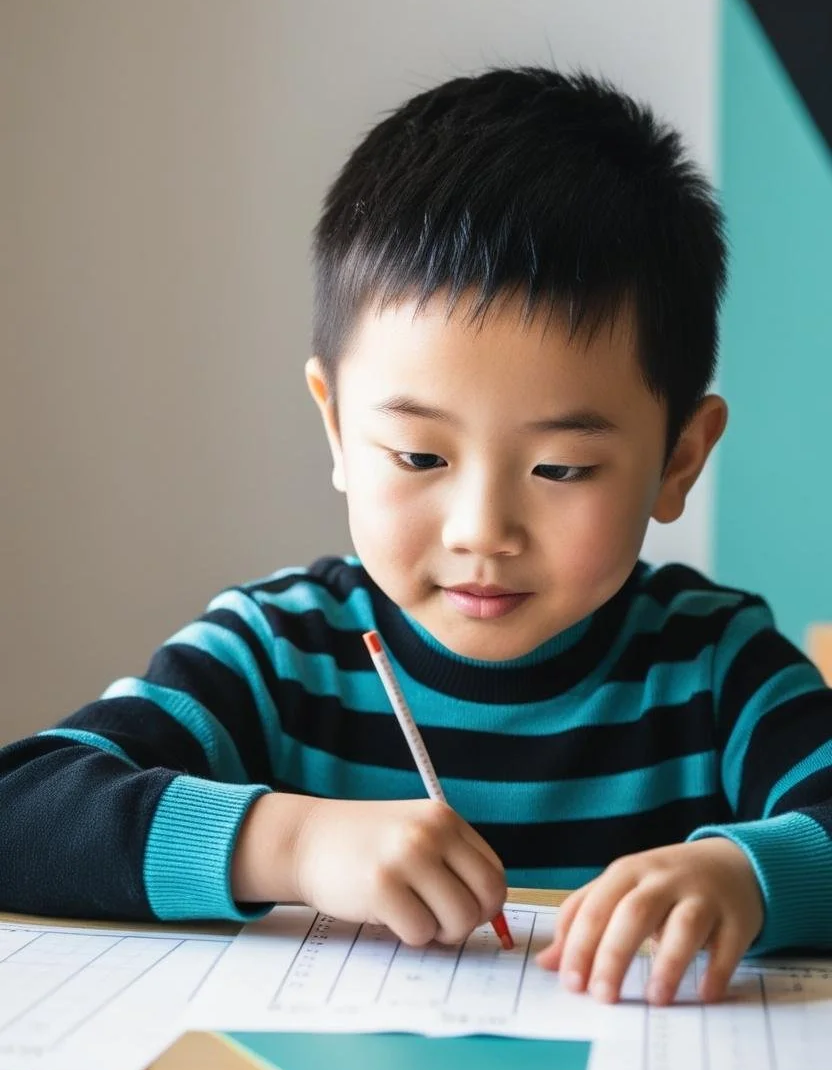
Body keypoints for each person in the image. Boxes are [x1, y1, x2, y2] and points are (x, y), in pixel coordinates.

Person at [2, 67, 831, 1010]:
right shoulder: (281, 654)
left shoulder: (715, 670)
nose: (483, 531)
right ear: (338, 430)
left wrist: (748, 879)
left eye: (560, 469)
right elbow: (21, 811)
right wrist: (297, 846)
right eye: (418, 455)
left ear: (678, 459)